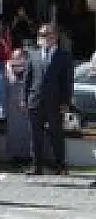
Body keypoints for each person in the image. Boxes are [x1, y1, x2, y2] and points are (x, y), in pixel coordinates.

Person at [23, 22, 74, 176]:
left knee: (56, 134)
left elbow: (67, 81)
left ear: (55, 37)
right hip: (36, 100)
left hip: (55, 102)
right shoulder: (33, 54)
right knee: (35, 135)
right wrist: (24, 99)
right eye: (41, 35)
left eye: (46, 34)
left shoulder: (63, 56)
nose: (43, 37)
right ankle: (36, 166)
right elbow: (28, 78)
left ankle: (60, 165)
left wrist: (66, 102)